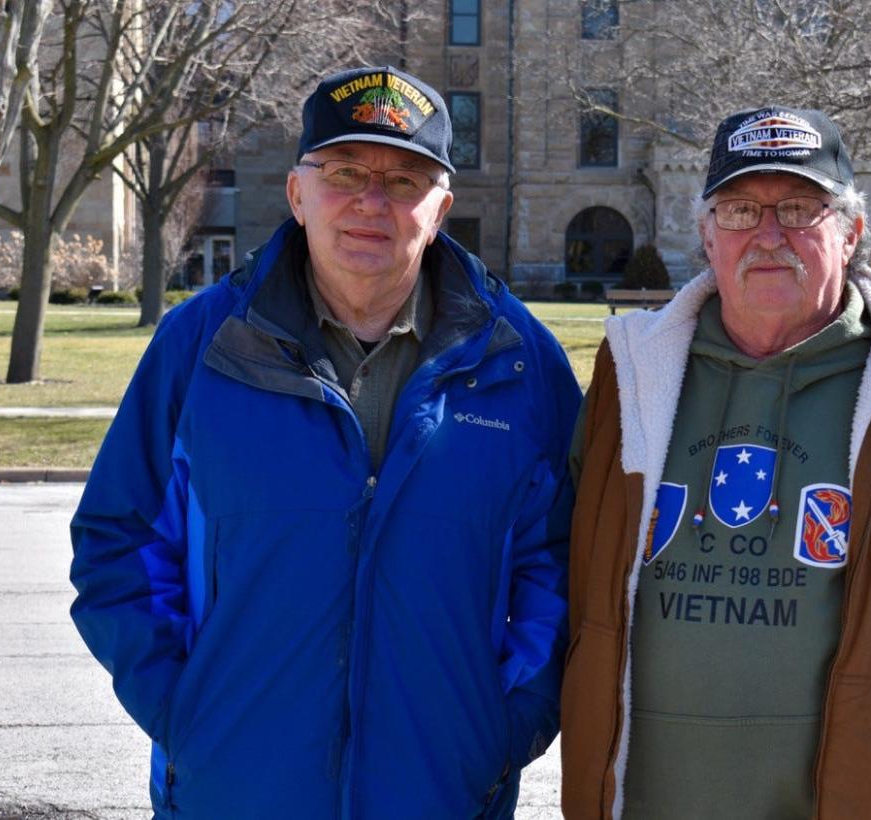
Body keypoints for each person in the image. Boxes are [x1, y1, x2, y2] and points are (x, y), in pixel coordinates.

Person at [70, 66, 580, 819]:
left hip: (442, 790)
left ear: (441, 209)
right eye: (344, 172)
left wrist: (501, 729)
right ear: (297, 194)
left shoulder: (519, 362)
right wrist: (188, 714)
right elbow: (120, 543)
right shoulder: (202, 346)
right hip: (235, 791)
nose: (372, 202)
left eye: (405, 181)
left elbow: (565, 568)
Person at [560, 106, 871, 820]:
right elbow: (552, 572)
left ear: (853, 232)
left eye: (800, 208)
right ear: (707, 235)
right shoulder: (630, 382)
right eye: (739, 210)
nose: (768, 236)